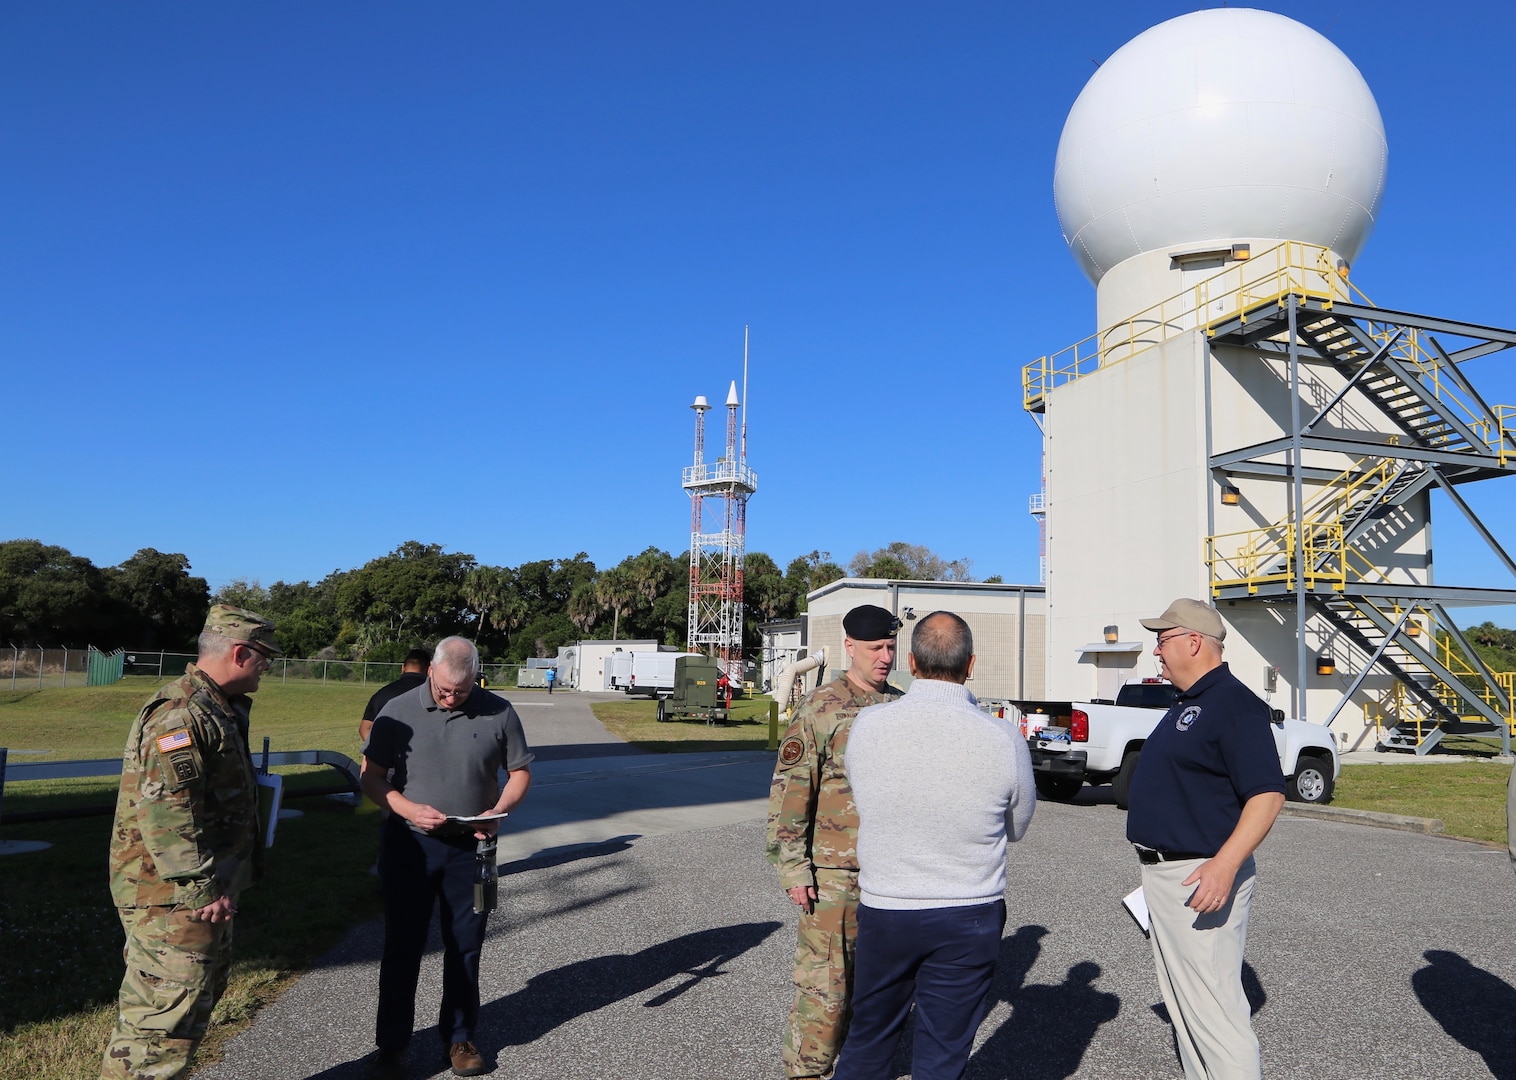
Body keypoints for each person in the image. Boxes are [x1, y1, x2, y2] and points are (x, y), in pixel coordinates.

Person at [832, 611, 1035, 1080]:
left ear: (911, 661)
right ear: (972, 664)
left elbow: (864, 799)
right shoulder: (1003, 737)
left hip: (886, 906)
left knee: (869, 1040)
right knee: (943, 1053)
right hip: (967, 910)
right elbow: (1018, 825)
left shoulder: (869, 725)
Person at [100, 604, 281, 1080]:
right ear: (241, 652)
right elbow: (168, 810)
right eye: (267, 656)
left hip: (198, 896)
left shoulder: (216, 707)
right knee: (158, 1032)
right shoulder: (181, 713)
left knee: (188, 1016)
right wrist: (202, 889)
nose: (269, 666)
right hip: (172, 900)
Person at [1127, 598, 1286, 1080]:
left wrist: (1224, 865)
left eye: (1163, 639)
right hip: (1169, 874)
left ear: (1193, 642)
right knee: (1188, 1011)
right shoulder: (1193, 702)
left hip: (1200, 875)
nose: (1157, 651)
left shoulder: (1232, 704)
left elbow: (1267, 794)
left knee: (1215, 1017)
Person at [361, 636, 534, 1080]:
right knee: (403, 945)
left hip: (474, 848)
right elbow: (371, 777)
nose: (452, 698)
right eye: (444, 690)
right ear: (432, 670)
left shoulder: (499, 710)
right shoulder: (397, 710)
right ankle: (392, 1046)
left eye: (461, 691)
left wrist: (500, 811)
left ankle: (459, 1038)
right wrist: (404, 807)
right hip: (409, 846)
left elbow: (520, 772)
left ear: (475, 674)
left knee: (467, 945)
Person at [765, 604, 904, 1080]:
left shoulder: (903, 707)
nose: (885, 657)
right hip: (833, 879)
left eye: (890, 646)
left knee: (878, 992)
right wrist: (794, 869)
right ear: (849, 647)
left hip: (893, 879)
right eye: (874, 648)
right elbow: (790, 791)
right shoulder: (822, 707)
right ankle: (805, 1072)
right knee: (826, 991)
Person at [359, 647, 431, 745]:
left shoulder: (382, 694)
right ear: (429, 669)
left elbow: (364, 729)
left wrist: (379, 752)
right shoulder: (435, 695)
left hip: (388, 755)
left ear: (403, 668)